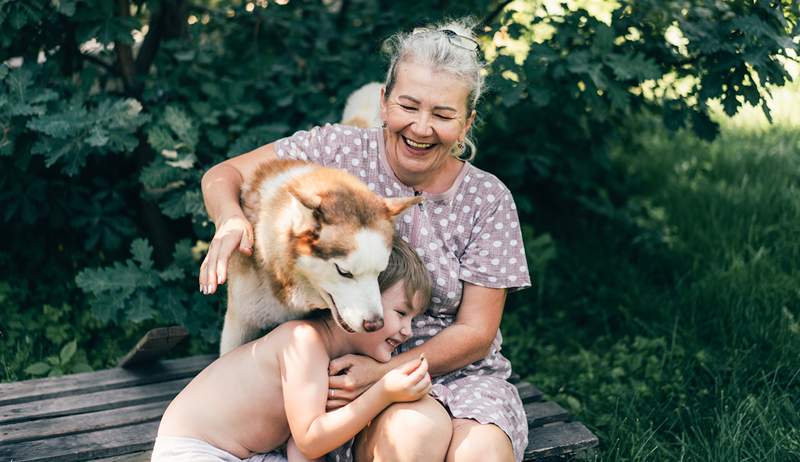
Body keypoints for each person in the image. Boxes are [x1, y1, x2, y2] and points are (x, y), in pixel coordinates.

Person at [199, 18, 531, 462]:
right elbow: (224, 175)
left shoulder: (488, 199)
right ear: (384, 100)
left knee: (485, 455)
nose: (421, 127)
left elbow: (475, 332)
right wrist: (231, 219)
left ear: (467, 121)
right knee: (412, 438)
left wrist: (384, 372)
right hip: (348, 373)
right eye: (408, 106)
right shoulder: (336, 150)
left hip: (458, 372)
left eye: (443, 114)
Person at [155, 238, 434, 462]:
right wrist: (382, 393)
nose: (408, 330)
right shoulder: (304, 341)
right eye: (401, 312)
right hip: (193, 450)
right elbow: (310, 440)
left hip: (247, 454)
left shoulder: (333, 361)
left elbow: (301, 448)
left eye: (412, 319)